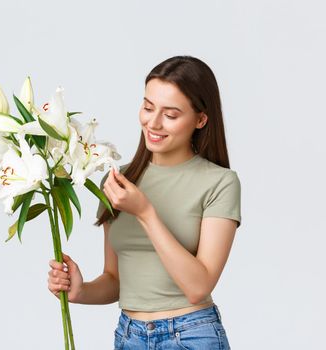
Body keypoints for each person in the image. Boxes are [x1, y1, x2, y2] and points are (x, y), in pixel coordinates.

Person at [48, 55, 241, 349]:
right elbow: (115, 279)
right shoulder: (118, 181)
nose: (153, 122)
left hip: (190, 335)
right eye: (148, 107)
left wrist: (146, 213)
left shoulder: (219, 183)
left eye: (171, 115)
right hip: (130, 335)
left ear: (200, 119)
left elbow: (198, 286)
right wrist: (80, 291)